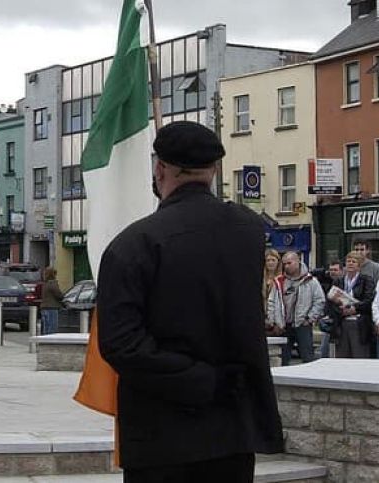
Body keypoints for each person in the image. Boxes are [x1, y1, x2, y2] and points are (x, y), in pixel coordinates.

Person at [97, 121, 283, 481]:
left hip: (162, 434)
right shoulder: (248, 230)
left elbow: (121, 344)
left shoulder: (133, 245)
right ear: (213, 170)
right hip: (233, 426)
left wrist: (199, 380)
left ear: (160, 168)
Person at [266, 251, 325, 365]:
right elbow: (272, 302)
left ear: (298, 261)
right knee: (282, 358)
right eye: (284, 264)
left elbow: (320, 301)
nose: (287, 266)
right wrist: (273, 322)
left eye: (289, 263)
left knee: (308, 358)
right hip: (284, 326)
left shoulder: (311, 281)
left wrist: (309, 319)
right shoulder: (279, 281)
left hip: (302, 324)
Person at [326, 252, 375, 358]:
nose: (350, 264)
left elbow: (369, 301)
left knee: (360, 356)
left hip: (359, 323)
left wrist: (354, 308)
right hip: (341, 323)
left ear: (359, 265)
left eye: (354, 261)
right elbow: (330, 303)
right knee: (342, 358)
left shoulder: (366, 280)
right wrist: (340, 308)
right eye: (348, 261)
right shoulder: (338, 281)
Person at [318, 261, 345, 358]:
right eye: (331, 270)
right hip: (329, 323)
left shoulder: (344, 284)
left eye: (335, 270)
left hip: (341, 323)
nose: (333, 272)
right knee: (324, 353)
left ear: (342, 271)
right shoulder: (327, 284)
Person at [263, 248, 282, 336]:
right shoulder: (260, 278)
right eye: (268, 260)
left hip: (277, 319)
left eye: (273, 260)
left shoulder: (282, 279)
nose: (270, 263)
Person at [39, 267, 64, 335]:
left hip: (44, 307)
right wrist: (63, 297)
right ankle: (50, 341)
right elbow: (58, 295)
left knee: (46, 326)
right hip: (52, 307)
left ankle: (44, 340)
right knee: (52, 327)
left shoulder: (45, 284)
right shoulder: (52, 284)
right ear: (53, 274)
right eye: (55, 274)